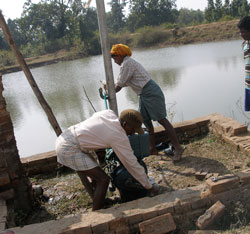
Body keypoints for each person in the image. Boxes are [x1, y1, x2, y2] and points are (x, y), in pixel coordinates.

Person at [55, 109, 159, 211]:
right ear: (125, 124)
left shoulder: (108, 113)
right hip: (69, 148)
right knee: (103, 180)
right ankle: (96, 213)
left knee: (97, 177)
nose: (133, 133)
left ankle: (101, 201)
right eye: (133, 129)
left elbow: (98, 127)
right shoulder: (118, 136)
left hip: (66, 137)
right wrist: (149, 186)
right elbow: (131, 164)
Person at [110, 43, 184, 162]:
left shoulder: (127, 63)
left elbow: (118, 86)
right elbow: (121, 83)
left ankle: (178, 148)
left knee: (162, 120)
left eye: (114, 56)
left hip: (150, 93)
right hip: (144, 94)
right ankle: (152, 149)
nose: (113, 60)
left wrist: (107, 87)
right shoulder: (126, 64)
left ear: (121, 55)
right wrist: (110, 87)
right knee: (145, 121)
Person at [238, 16, 250, 112]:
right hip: (248, 85)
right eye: (240, 32)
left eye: (243, 32)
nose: (241, 34)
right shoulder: (244, 45)